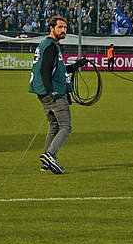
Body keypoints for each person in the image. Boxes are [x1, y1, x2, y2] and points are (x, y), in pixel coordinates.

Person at [28, 15, 89, 174]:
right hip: (53, 93)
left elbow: (57, 70)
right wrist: (51, 90)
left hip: (43, 92)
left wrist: (75, 66)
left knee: (54, 126)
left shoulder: (47, 44)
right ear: (51, 28)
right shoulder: (51, 46)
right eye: (60, 27)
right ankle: (50, 155)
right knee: (66, 127)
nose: (63, 30)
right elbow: (44, 70)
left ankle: (46, 163)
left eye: (65, 28)